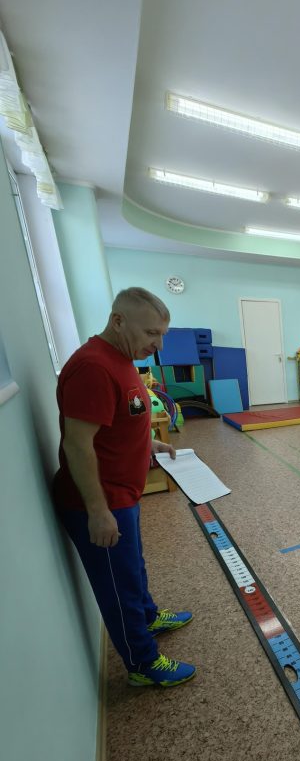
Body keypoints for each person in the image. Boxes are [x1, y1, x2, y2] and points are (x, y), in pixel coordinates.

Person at [54, 287, 196, 688]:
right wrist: (98, 511)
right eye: (152, 333)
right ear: (118, 321)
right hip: (99, 502)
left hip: (123, 496)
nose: (159, 343)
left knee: (132, 570)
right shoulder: (94, 367)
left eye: (163, 334)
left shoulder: (122, 359)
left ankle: (149, 617)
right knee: (118, 586)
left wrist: (150, 444)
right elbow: (77, 444)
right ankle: (142, 663)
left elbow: (115, 424)